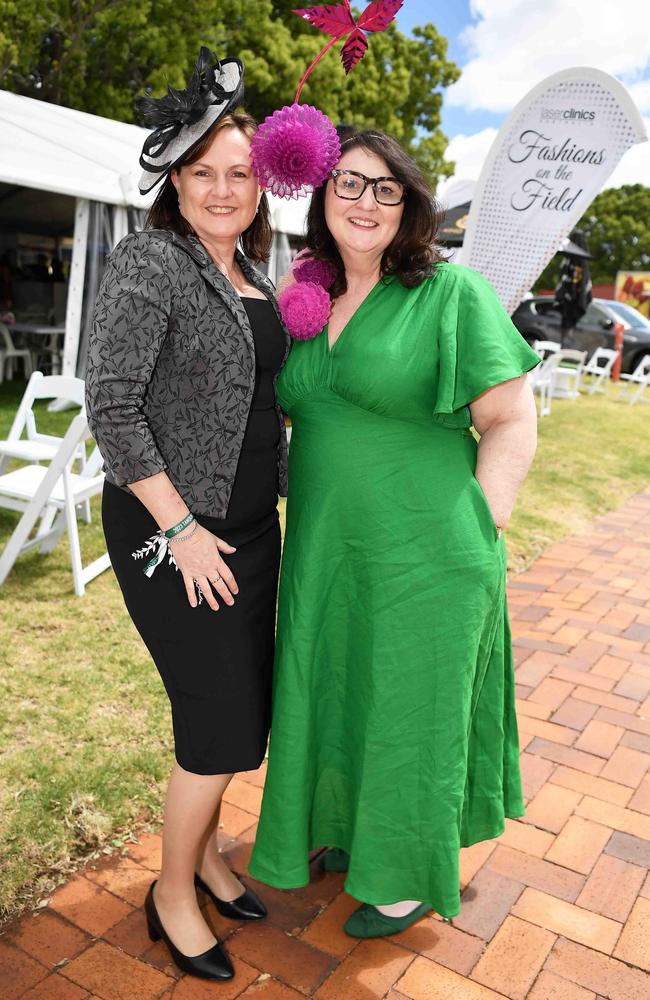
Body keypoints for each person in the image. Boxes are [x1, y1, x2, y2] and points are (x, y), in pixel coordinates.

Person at [249, 128, 540, 937]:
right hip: (329, 552)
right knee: (341, 690)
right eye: (348, 183)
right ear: (322, 195)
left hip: (428, 555)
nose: (364, 202)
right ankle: (344, 832)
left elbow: (513, 418)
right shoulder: (303, 299)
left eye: (386, 189)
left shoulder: (452, 293)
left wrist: (485, 515)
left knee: (410, 709)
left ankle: (408, 876)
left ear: (409, 207)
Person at [86, 50, 289, 981]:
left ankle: (206, 854)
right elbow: (112, 402)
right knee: (215, 716)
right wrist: (179, 526)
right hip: (175, 530)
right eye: (202, 170)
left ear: (261, 184)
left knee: (244, 714)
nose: (221, 187)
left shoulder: (254, 271)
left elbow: (258, 408)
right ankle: (171, 891)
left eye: (238, 172)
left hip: (252, 529)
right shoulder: (150, 261)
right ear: (174, 178)